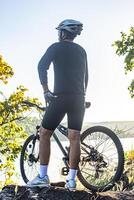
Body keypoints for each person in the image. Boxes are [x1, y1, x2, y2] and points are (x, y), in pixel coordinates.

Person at [27, 19, 88, 190]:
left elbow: (41, 66)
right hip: (78, 98)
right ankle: (71, 181)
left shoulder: (56, 47)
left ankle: (42, 176)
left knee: (44, 133)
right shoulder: (82, 51)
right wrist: (83, 95)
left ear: (62, 33)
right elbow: (86, 78)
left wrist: (46, 90)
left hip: (60, 97)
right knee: (75, 137)